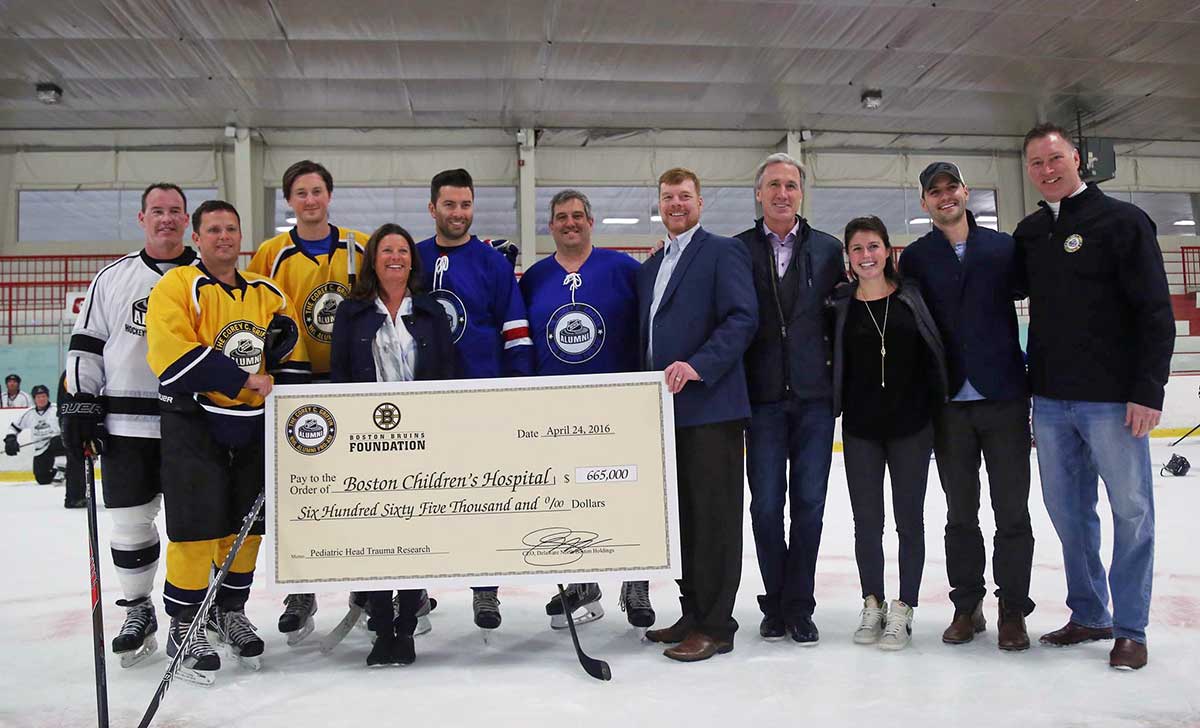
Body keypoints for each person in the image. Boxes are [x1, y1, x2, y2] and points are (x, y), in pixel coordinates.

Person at [1014, 122, 1174, 671]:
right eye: (1036, 163)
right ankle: (1089, 612)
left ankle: (1130, 628)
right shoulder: (1031, 232)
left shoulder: (1123, 222)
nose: (1047, 170)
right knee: (1067, 512)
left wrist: (1147, 388)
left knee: (1131, 512)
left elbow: (1156, 311)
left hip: (1113, 401)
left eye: (1054, 158)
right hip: (1051, 400)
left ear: (1076, 158)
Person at [147, 199, 310, 684]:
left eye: (231, 229)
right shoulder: (177, 285)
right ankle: (184, 622)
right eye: (213, 229)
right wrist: (245, 381)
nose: (223, 237)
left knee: (247, 528)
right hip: (194, 423)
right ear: (197, 238)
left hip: (254, 428)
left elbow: (292, 353)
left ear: (242, 238)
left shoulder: (267, 293)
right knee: (196, 528)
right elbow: (171, 356)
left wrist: (279, 376)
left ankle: (229, 610)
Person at [898, 162, 1035, 651]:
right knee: (960, 513)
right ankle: (967, 605)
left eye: (950, 187)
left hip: (1003, 398)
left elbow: (1039, 297)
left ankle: (1013, 610)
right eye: (933, 192)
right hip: (949, 404)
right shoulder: (915, 258)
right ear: (924, 203)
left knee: (1012, 511)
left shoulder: (1003, 247)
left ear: (965, 191)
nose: (944, 197)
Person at [62, 182, 199, 667]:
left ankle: (191, 613)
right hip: (125, 426)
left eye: (175, 211)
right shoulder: (112, 278)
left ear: (187, 220)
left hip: (191, 424)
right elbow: (88, 345)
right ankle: (138, 609)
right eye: (157, 211)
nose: (166, 218)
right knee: (130, 523)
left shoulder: (206, 277)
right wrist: (80, 403)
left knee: (194, 528)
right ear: (142, 218)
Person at [519, 189, 655, 632]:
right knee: (566, 498)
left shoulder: (625, 270)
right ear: (551, 226)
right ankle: (580, 583)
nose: (570, 223)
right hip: (554, 410)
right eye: (561, 217)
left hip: (618, 405)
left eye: (578, 216)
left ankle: (635, 582)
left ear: (590, 222)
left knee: (628, 497)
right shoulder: (534, 278)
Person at [246, 159, 371, 643]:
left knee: (359, 491)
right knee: (299, 494)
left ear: (329, 195)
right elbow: (253, 312)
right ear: (289, 200)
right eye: (301, 193)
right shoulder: (271, 253)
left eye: (317, 191)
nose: (310, 200)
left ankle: (369, 582)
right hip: (294, 388)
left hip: (351, 384)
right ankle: (302, 589)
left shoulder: (359, 245)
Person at [638, 167, 757, 662]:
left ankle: (716, 625)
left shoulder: (723, 251)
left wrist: (699, 365)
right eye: (668, 197)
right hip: (667, 412)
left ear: (701, 203)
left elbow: (743, 317)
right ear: (660, 205)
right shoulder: (650, 267)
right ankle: (692, 611)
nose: (677, 204)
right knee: (684, 519)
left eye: (685, 196)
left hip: (711, 408)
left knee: (713, 519)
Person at [329, 223, 454, 666]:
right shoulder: (351, 312)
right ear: (373, 260)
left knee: (414, 530)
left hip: (421, 440)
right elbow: (339, 376)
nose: (395, 256)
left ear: (411, 260)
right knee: (376, 532)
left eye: (402, 250)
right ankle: (382, 624)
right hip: (369, 441)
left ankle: (408, 623)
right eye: (386, 250)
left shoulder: (432, 311)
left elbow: (447, 373)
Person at [415, 168, 533, 632]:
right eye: (449, 205)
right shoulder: (413, 257)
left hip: (483, 396)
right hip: (425, 400)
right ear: (433, 209)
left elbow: (515, 328)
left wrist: (518, 388)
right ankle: (415, 589)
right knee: (421, 498)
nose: (458, 213)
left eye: (465, 205)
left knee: (486, 498)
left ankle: (486, 589)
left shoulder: (492, 263)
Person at [735, 153, 846, 644]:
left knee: (810, 505)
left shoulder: (828, 249)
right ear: (758, 194)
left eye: (791, 186)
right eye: (773, 186)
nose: (783, 193)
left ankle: (799, 606)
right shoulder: (734, 250)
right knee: (764, 507)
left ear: (801, 194)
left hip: (814, 400)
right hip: (760, 399)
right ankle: (773, 601)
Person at [832, 216, 947, 651]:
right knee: (867, 522)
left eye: (873, 246)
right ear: (849, 256)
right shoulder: (840, 305)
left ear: (888, 251)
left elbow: (934, 353)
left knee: (909, 521)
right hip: (861, 429)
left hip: (911, 428)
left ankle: (904, 608)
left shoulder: (911, 299)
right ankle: (872, 602)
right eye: (858, 248)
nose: (866, 256)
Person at [4, 384, 67, 486]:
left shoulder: (56, 409)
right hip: (41, 449)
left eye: (44, 396)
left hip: (57, 445)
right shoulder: (29, 413)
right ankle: (61, 471)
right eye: (38, 397)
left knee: (57, 440)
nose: (41, 399)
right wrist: (10, 440)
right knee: (42, 479)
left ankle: (62, 469)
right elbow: (14, 427)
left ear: (47, 397)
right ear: (34, 399)